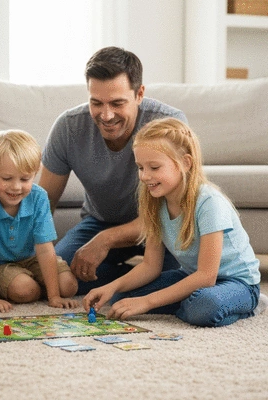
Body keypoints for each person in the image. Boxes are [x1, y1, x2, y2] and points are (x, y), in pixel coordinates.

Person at [83, 117, 263, 327]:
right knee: (120, 299)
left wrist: (148, 302)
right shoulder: (155, 203)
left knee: (203, 307)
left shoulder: (209, 203)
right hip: (190, 277)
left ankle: (251, 304)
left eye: (154, 167)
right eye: (140, 167)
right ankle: (185, 301)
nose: (144, 176)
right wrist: (112, 287)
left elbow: (206, 276)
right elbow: (150, 266)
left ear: (185, 163)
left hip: (237, 283)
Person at [39, 46, 188, 295]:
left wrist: (105, 240)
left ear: (139, 94)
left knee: (179, 280)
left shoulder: (169, 125)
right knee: (55, 276)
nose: (106, 115)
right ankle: (131, 279)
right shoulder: (68, 127)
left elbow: (174, 211)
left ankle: (137, 280)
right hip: (99, 221)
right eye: (96, 103)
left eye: (118, 103)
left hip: (160, 228)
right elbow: (42, 204)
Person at [0, 129, 79, 312]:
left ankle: (32, 284)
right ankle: (25, 285)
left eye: (25, 179)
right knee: (25, 290)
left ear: (36, 173)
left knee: (68, 286)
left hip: (29, 258)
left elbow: (44, 248)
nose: (16, 187)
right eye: (7, 178)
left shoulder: (39, 196)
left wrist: (54, 296)